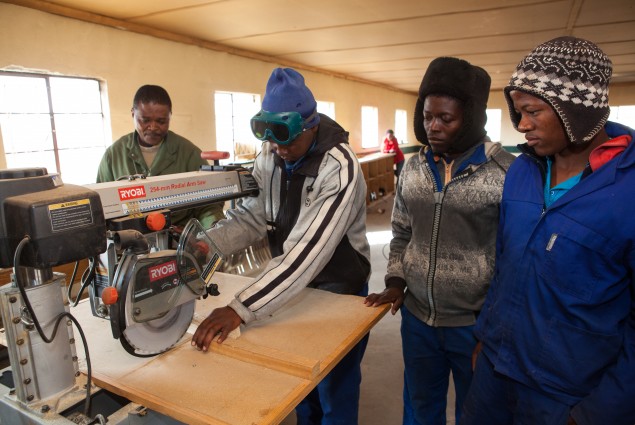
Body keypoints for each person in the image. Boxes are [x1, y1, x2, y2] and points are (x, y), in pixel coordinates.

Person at [461, 37, 635, 425]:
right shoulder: (523, 170)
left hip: (566, 394)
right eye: (517, 111)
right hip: (494, 369)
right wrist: (485, 339)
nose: (521, 125)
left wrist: (599, 411)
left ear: (576, 111)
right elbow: (505, 265)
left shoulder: (628, 190)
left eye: (532, 111)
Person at [191, 68, 371, 425]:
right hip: (292, 289)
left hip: (339, 287)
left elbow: (307, 254)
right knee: (302, 384)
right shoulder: (272, 154)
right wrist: (207, 245)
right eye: (270, 139)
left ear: (311, 126)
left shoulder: (340, 168)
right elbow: (256, 214)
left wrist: (241, 307)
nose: (278, 148)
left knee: (335, 388)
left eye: (287, 140)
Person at [364, 57, 515, 425]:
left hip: (473, 325)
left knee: (476, 411)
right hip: (418, 320)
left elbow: (512, 258)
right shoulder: (414, 169)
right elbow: (401, 232)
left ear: (472, 118)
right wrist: (396, 281)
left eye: (446, 119)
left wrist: (494, 326)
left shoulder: (505, 173)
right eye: (428, 116)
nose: (433, 127)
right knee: (419, 406)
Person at [96, 84, 224, 228]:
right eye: (145, 120)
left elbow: (209, 206)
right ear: (133, 114)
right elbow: (101, 208)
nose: (153, 127)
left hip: (180, 241)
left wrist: (212, 231)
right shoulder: (113, 156)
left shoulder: (190, 154)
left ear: (170, 116)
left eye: (161, 121)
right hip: (130, 243)